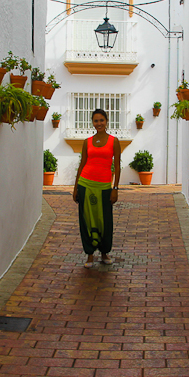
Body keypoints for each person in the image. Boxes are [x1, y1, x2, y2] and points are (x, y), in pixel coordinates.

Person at [73, 108, 121, 268]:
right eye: (96, 120)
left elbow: (118, 166)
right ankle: (90, 255)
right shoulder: (87, 141)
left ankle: (105, 252)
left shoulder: (114, 141)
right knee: (86, 219)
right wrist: (75, 188)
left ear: (106, 121)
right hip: (85, 184)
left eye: (101, 120)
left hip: (104, 186)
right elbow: (82, 165)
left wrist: (115, 188)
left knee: (105, 220)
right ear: (92, 122)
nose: (99, 123)